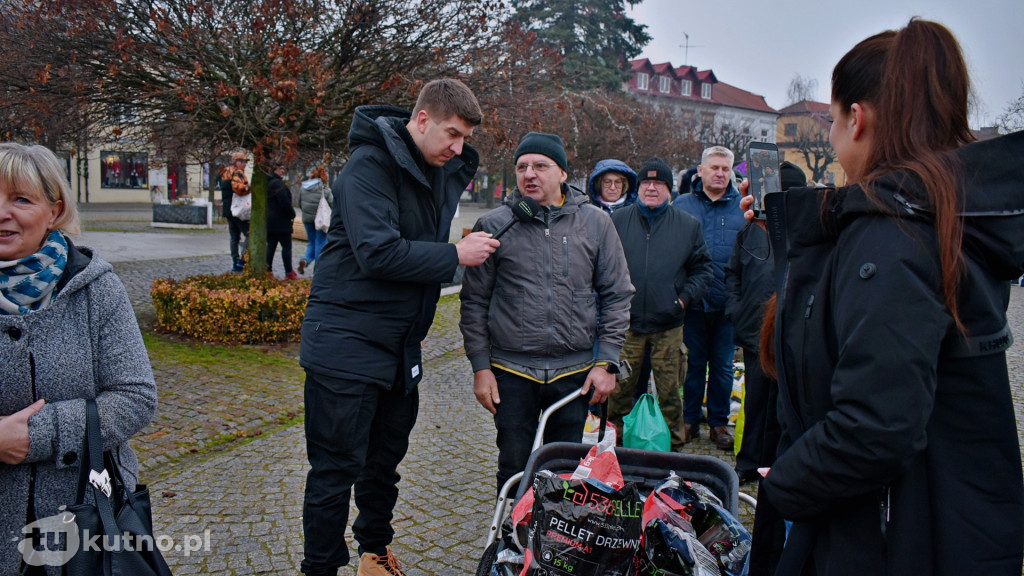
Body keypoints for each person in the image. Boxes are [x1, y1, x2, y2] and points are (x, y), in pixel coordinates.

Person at [749, 20, 1024, 575]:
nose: (829, 136)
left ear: (858, 118)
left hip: (898, 536)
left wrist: (792, 480)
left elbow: (877, 426)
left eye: (830, 119)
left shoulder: (897, 236)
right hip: (925, 520)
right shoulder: (924, 218)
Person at [298, 78, 498, 576]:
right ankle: (320, 568)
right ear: (422, 120)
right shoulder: (369, 166)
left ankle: (374, 557)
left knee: (383, 466)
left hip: (399, 348)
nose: (458, 148)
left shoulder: (435, 171)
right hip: (345, 346)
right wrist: (456, 255)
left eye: (465, 139)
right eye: (452, 134)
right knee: (334, 472)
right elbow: (378, 252)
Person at [0, 143, 157, 575]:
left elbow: (136, 396)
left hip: (82, 519)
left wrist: (36, 435)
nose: (2, 212)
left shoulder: (96, 288)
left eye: (20, 199)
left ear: (54, 210)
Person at [460, 132, 634, 491]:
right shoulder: (494, 225)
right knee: (512, 467)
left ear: (563, 174)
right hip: (511, 371)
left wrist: (607, 363)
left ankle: (556, 544)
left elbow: (617, 295)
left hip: (574, 374)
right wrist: (481, 368)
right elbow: (474, 301)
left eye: (541, 165)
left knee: (566, 471)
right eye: (522, 166)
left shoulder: (596, 223)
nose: (529, 174)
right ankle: (511, 540)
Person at [607, 157, 712, 451]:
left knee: (669, 393)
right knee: (619, 390)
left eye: (659, 183)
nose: (651, 188)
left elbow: (703, 270)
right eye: (646, 183)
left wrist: (682, 300)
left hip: (669, 326)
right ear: (638, 187)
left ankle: (673, 449)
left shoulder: (687, 226)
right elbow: (600, 266)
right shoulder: (617, 221)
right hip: (625, 327)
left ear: (669, 189)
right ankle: (614, 446)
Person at [673, 145, 745, 450]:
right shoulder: (683, 205)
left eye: (725, 169)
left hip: (727, 303)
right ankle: (689, 420)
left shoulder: (742, 207)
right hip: (691, 301)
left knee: (723, 366)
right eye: (714, 167)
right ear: (700, 170)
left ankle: (717, 423)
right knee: (691, 364)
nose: (720, 173)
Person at [265, 163, 298, 280]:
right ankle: (289, 272)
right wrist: (292, 214)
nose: (283, 171)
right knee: (286, 247)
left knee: (271, 246)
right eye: (280, 168)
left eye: (284, 168)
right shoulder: (278, 184)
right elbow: (285, 203)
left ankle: (267, 270)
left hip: (270, 221)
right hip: (281, 221)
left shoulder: (268, 183)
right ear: (274, 169)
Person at [221, 151, 251, 272]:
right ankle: (242, 260)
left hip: (228, 210)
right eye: (241, 161)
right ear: (235, 161)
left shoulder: (225, 172)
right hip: (238, 210)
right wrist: (250, 187)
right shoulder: (237, 173)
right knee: (249, 234)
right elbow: (239, 189)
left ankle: (235, 261)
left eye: (245, 162)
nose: (244, 164)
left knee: (234, 237)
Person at [297, 178, 333, 275]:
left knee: (311, 243)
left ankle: (305, 260)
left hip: (307, 219)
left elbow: (299, 203)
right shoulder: (325, 189)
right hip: (321, 221)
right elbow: (332, 204)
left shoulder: (303, 188)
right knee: (320, 243)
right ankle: (318, 270)